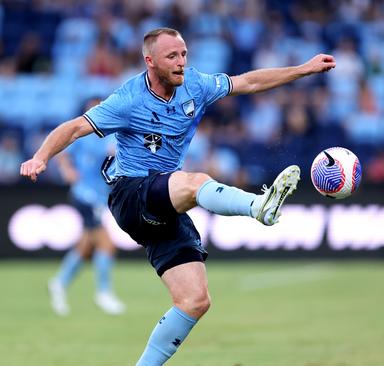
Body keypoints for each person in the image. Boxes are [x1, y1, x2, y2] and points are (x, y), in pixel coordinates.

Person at [21, 27, 335, 365]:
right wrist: (41, 157)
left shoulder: (195, 85)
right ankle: (259, 206)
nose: (182, 62)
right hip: (131, 193)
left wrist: (302, 69)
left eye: (184, 54)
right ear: (150, 61)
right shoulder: (128, 99)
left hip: (163, 203)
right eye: (172, 56)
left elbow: (247, 82)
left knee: (194, 300)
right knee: (193, 182)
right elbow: (74, 128)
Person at [48, 98, 126, 316]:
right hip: (86, 195)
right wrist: (67, 171)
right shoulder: (84, 134)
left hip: (99, 196)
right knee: (106, 244)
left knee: (85, 246)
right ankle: (103, 293)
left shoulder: (110, 133)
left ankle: (60, 282)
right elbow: (62, 151)